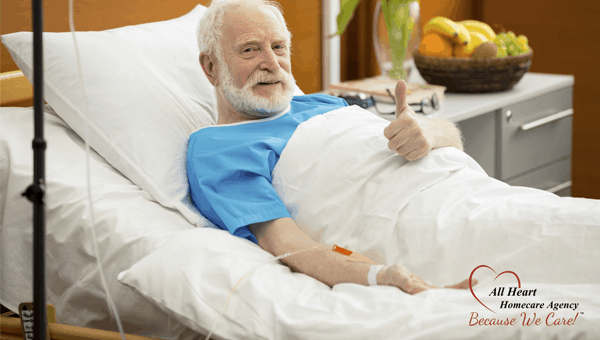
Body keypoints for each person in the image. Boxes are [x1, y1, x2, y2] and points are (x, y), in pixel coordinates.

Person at [188, 0, 471, 294]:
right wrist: (382, 276)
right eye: (250, 49)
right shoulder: (216, 148)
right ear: (211, 67)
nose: (272, 64)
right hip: (421, 223)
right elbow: (289, 245)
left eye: (279, 47)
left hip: (460, 190)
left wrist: (431, 130)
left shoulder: (324, 102)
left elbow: (453, 142)